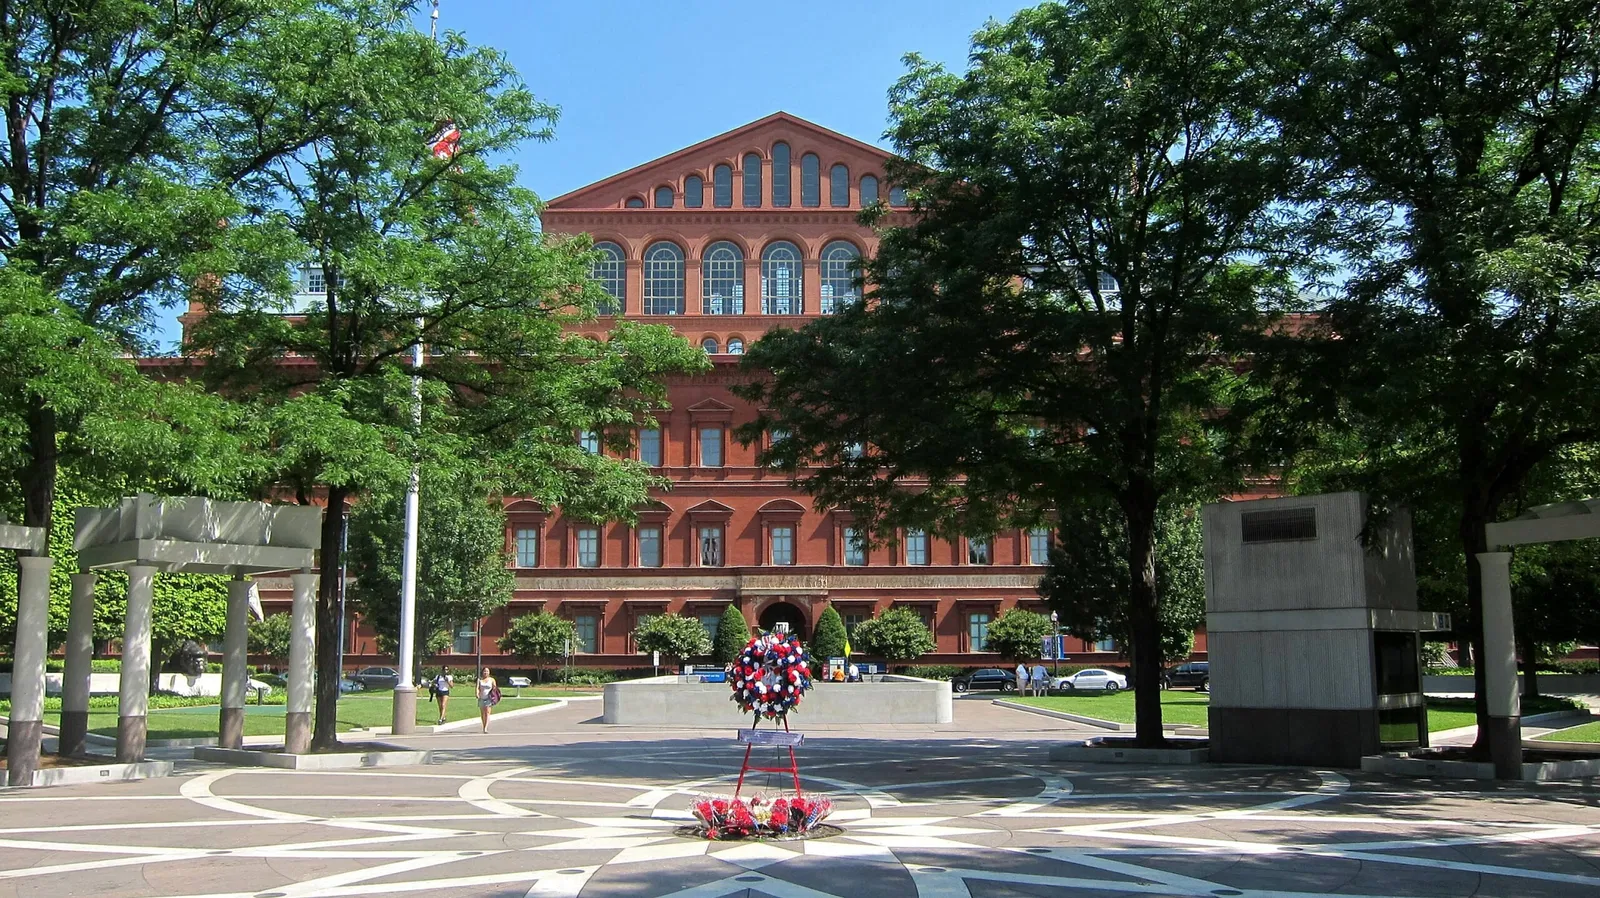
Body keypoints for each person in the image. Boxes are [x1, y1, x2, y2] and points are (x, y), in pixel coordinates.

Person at [476, 667, 499, 733]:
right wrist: (477, 693)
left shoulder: (492, 680)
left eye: (487, 671)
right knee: (483, 713)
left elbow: (495, 688)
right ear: (482, 672)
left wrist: (494, 692)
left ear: (489, 672)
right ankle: (483, 725)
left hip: (489, 698)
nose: (486, 673)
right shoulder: (479, 680)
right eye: (484, 671)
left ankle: (485, 728)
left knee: (487, 713)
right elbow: (477, 688)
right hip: (481, 698)